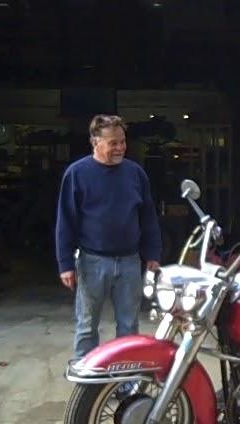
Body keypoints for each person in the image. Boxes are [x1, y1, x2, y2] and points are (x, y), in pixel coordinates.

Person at [56, 114, 161, 361]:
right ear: (95, 142)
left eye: (122, 141)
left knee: (128, 327)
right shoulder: (77, 174)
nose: (120, 148)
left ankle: (126, 383)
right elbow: (66, 221)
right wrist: (65, 264)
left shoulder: (135, 174)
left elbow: (148, 217)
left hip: (129, 262)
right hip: (92, 262)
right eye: (113, 143)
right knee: (86, 326)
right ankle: (87, 383)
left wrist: (153, 254)